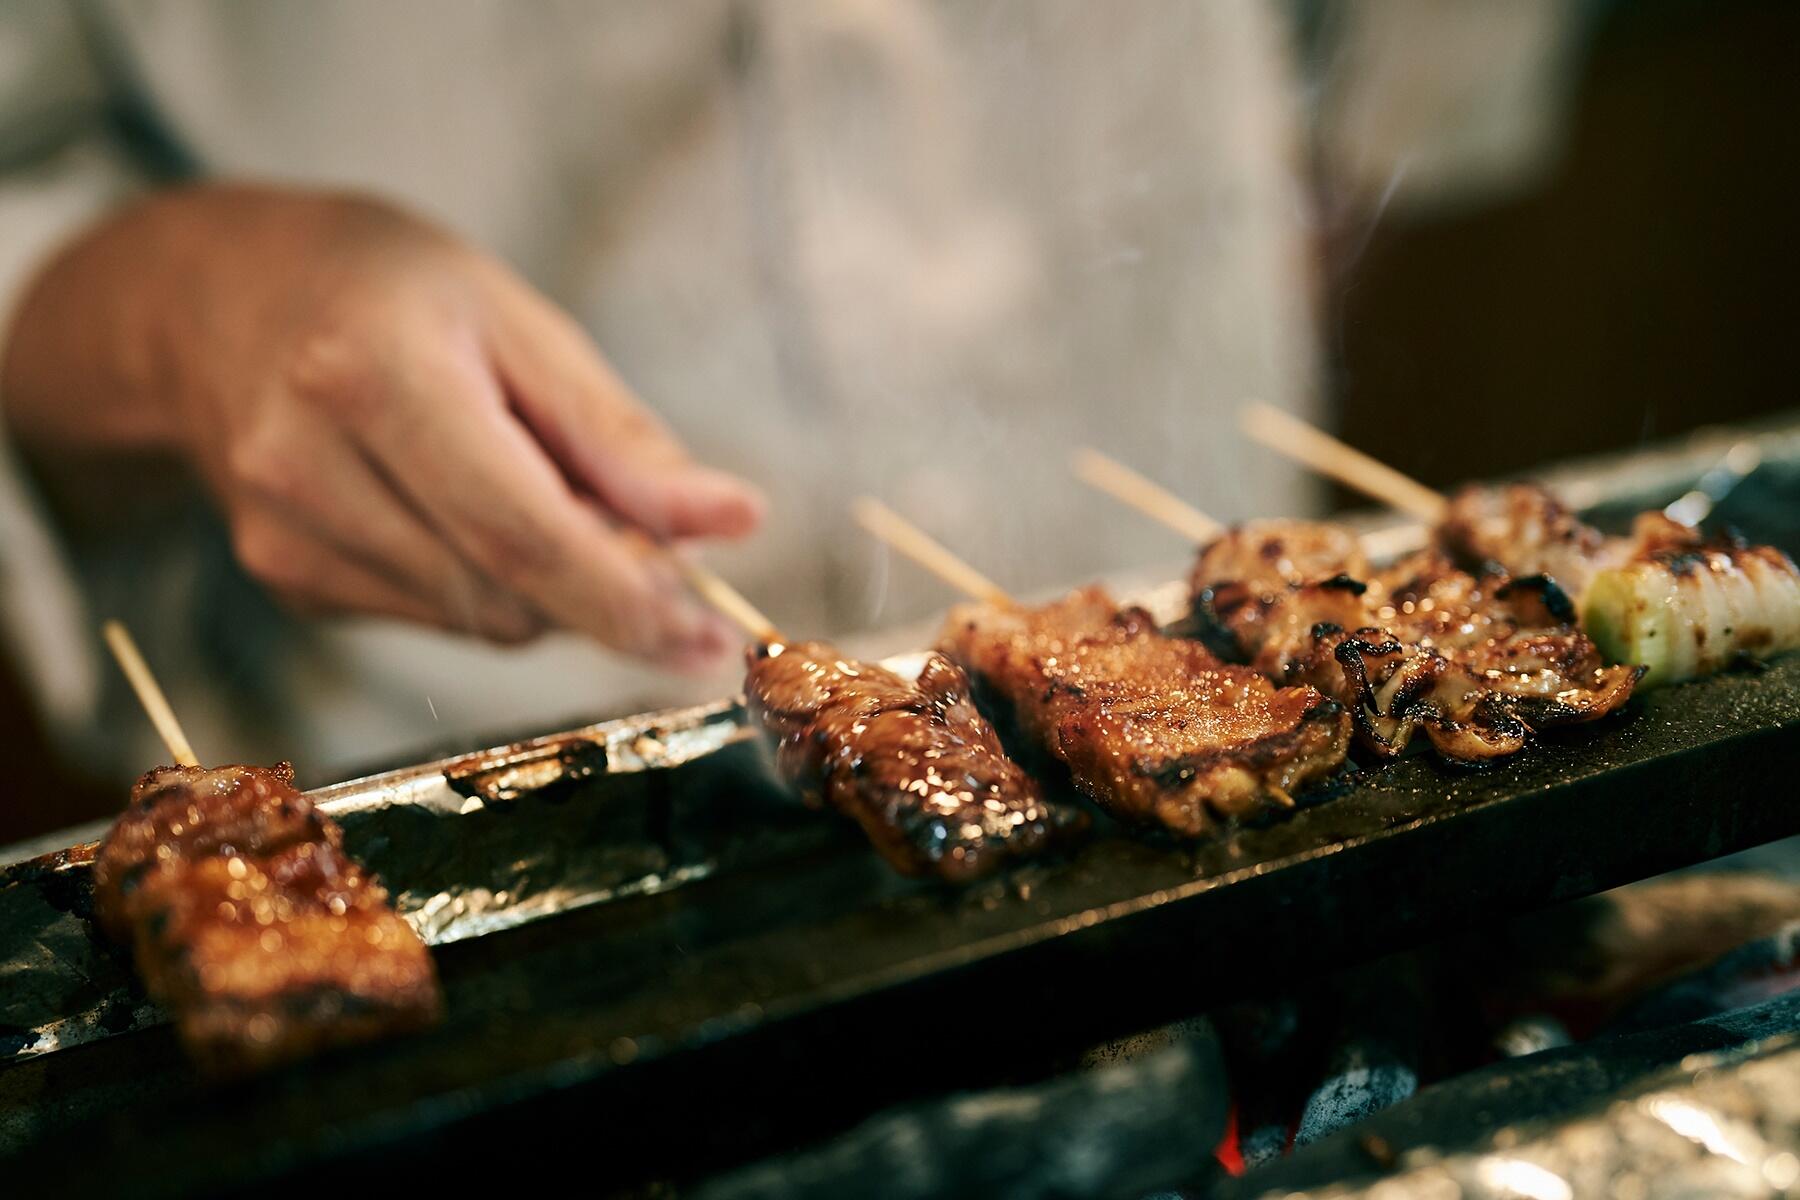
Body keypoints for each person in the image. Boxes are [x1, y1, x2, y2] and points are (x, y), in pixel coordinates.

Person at [0, 1, 1583, 784]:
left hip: (1202, 621)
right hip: (453, 733)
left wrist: (1378, 130)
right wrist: (201, 310)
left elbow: (1435, 73)